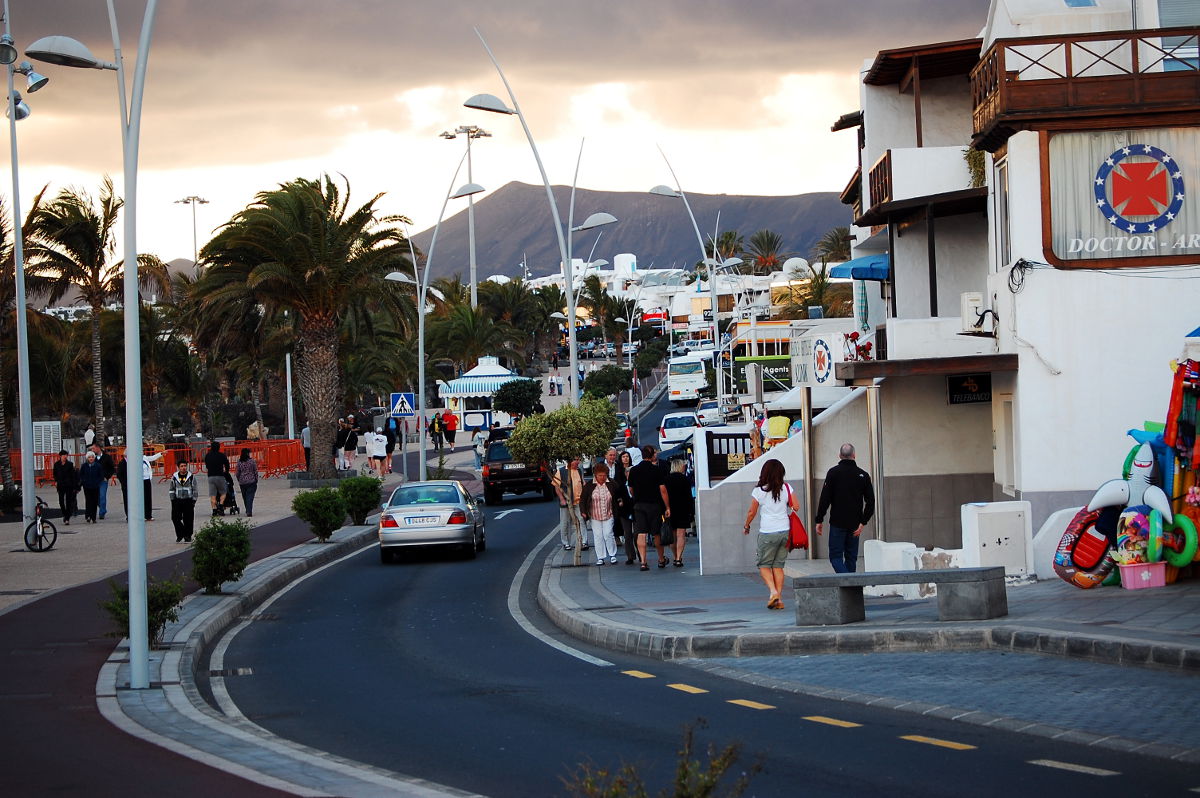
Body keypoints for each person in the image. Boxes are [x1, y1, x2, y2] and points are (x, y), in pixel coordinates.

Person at [742, 458, 799, 610]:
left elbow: (751, 512)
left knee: (764, 565)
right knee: (778, 566)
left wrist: (746, 525)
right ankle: (778, 599)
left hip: (768, 532)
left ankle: (773, 592)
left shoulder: (759, 491)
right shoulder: (787, 488)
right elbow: (797, 506)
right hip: (784, 532)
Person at [815, 443, 876, 574]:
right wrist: (863, 522)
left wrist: (819, 519)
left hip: (837, 522)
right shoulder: (863, 475)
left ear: (840, 456)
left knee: (835, 557)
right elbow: (871, 501)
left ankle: (848, 582)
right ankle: (851, 587)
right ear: (854, 455)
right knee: (851, 558)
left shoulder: (833, 473)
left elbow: (825, 498)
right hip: (855, 523)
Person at [627, 445, 671, 571]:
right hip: (654, 505)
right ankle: (661, 559)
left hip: (639, 505)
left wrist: (637, 496)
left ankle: (643, 562)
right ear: (652, 456)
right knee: (656, 533)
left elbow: (631, 489)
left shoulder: (634, 470)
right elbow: (662, 490)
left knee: (641, 533)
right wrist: (667, 506)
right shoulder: (656, 470)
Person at [580, 463, 621, 565]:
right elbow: (583, 500)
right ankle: (600, 557)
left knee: (608, 534)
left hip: (609, 513)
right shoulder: (589, 486)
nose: (602, 478)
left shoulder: (612, 484)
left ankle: (612, 555)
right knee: (598, 536)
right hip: (595, 515)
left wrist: (620, 501)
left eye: (604, 475)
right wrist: (583, 512)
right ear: (595, 475)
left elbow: (618, 495)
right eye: (600, 475)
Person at [664, 458, 695, 567]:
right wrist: (692, 512)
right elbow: (689, 496)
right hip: (683, 508)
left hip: (670, 509)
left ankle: (675, 555)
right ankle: (678, 558)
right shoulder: (685, 479)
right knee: (681, 534)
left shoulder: (666, 479)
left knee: (672, 535)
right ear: (679, 466)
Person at [552, 457, 586, 551]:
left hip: (578, 501)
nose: (578, 462)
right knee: (565, 523)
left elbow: (582, 483)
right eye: (576, 459)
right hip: (567, 501)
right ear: (570, 461)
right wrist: (562, 499)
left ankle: (583, 541)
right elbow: (556, 486)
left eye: (579, 460)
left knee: (581, 520)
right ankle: (566, 543)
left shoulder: (579, 471)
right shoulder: (561, 471)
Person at [613, 450, 637, 564]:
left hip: (636, 507)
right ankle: (630, 556)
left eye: (627, 456)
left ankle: (641, 554)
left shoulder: (635, 470)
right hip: (624, 509)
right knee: (627, 534)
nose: (626, 459)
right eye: (623, 457)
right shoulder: (618, 474)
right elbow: (616, 491)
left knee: (638, 533)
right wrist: (619, 501)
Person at [168, 461, 199, 543]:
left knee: (188, 519)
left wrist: (194, 500)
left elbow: (195, 489)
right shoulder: (174, 477)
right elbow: (171, 489)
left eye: (185, 466)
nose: (183, 468)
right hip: (177, 500)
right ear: (178, 467)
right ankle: (180, 534)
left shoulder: (191, 476)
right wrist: (172, 499)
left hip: (188, 500)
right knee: (175, 518)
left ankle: (188, 536)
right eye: (181, 466)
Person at [204, 441, 231, 516]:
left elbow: (207, 466)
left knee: (213, 495)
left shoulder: (208, 455)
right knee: (223, 492)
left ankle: (214, 510)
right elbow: (227, 464)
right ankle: (221, 505)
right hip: (220, 476)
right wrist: (226, 471)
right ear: (219, 447)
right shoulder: (222, 455)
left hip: (211, 476)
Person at [52, 449, 79, 526]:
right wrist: (56, 481)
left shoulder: (70, 464)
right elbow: (55, 474)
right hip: (60, 485)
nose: (65, 457)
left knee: (68, 501)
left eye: (66, 455)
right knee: (61, 501)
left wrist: (75, 486)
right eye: (63, 455)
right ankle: (64, 513)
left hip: (69, 485)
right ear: (60, 456)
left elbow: (73, 475)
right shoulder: (56, 464)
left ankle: (67, 518)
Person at [91, 443, 116, 520]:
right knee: (96, 497)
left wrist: (107, 476)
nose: (92, 450)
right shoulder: (92, 458)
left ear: (98, 448)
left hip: (103, 480)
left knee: (102, 495)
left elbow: (112, 468)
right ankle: (102, 507)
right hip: (94, 480)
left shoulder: (106, 457)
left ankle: (102, 512)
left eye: (93, 448)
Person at [79, 451, 105, 523]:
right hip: (87, 486)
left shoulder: (98, 466)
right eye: (89, 457)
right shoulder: (84, 466)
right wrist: (84, 481)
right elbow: (81, 475)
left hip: (95, 486)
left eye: (92, 457)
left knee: (95, 501)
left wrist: (98, 482)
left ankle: (93, 517)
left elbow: (101, 475)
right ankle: (88, 516)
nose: (91, 458)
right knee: (88, 501)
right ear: (87, 458)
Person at [235, 448, 260, 517]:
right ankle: (249, 510)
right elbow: (255, 471)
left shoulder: (239, 462)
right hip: (251, 481)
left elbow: (237, 472)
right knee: (250, 497)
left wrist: (239, 479)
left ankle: (247, 509)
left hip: (242, 482)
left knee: (245, 497)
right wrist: (256, 479)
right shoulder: (252, 461)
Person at [141, 450, 164, 521]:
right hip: (140, 481)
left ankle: (148, 515)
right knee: (141, 498)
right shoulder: (133, 460)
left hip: (147, 480)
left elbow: (153, 457)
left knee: (148, 498)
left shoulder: (144, 458)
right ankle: (141, 515)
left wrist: (161, 453)